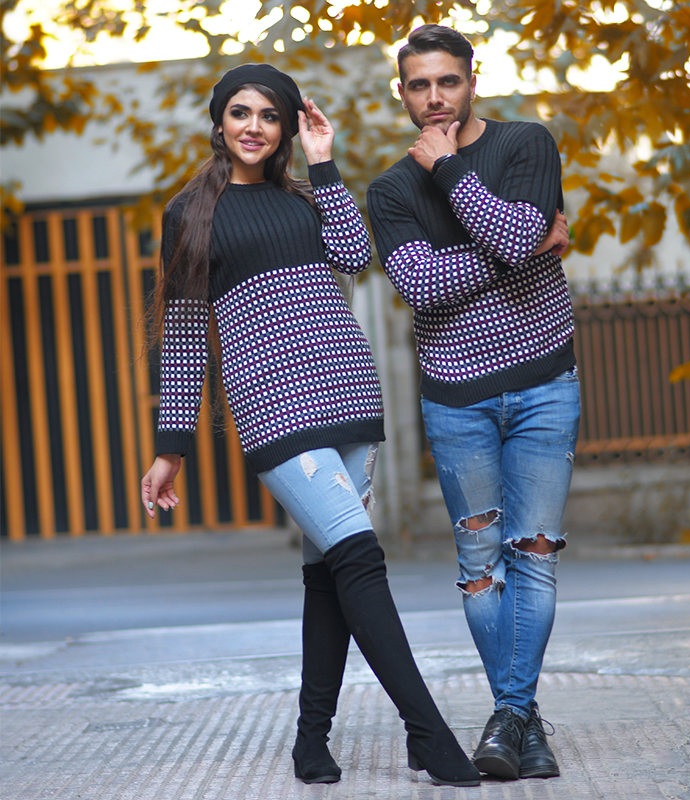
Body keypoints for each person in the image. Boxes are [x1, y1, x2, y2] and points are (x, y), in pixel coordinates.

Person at [140, 63, 480, 788]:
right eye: (241, 112)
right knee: (359, 557)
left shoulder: (305, 195)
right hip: (274, 407)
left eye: (270, 115)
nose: (254, 127)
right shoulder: (189, 214)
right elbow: (185, 336)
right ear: (219, 121)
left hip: (348, 394)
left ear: (288, 127)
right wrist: (171, 447)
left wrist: (325, 164)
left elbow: (356, 257)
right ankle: (428, 733)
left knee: (328, 574)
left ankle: (310, 740)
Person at [367, 25, 580, 782]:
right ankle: (521, 723)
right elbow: (423, 287)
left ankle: (508, 720)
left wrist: (452, 169)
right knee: (482, 568)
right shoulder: (390, 190)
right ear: (402, 92)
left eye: (447, 81)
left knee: (535, 557)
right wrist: (525, 245)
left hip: (545, 384)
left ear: (472, 80)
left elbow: (516, 237)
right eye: (419, 85)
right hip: (457, 400)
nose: (435, 98)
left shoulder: (526, 144)